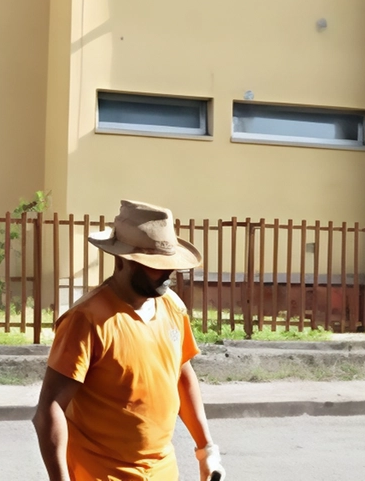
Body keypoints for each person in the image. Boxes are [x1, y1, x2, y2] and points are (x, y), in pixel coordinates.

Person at [33, 200, 227, 481]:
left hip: (162, 471)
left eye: (169, 265)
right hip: (102, 473)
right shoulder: (86, 319)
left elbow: (181, 374)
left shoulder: (171, 306)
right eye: (155, 266)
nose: (167, 274)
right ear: (123, 260)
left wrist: (206, 450)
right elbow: (49, 411)